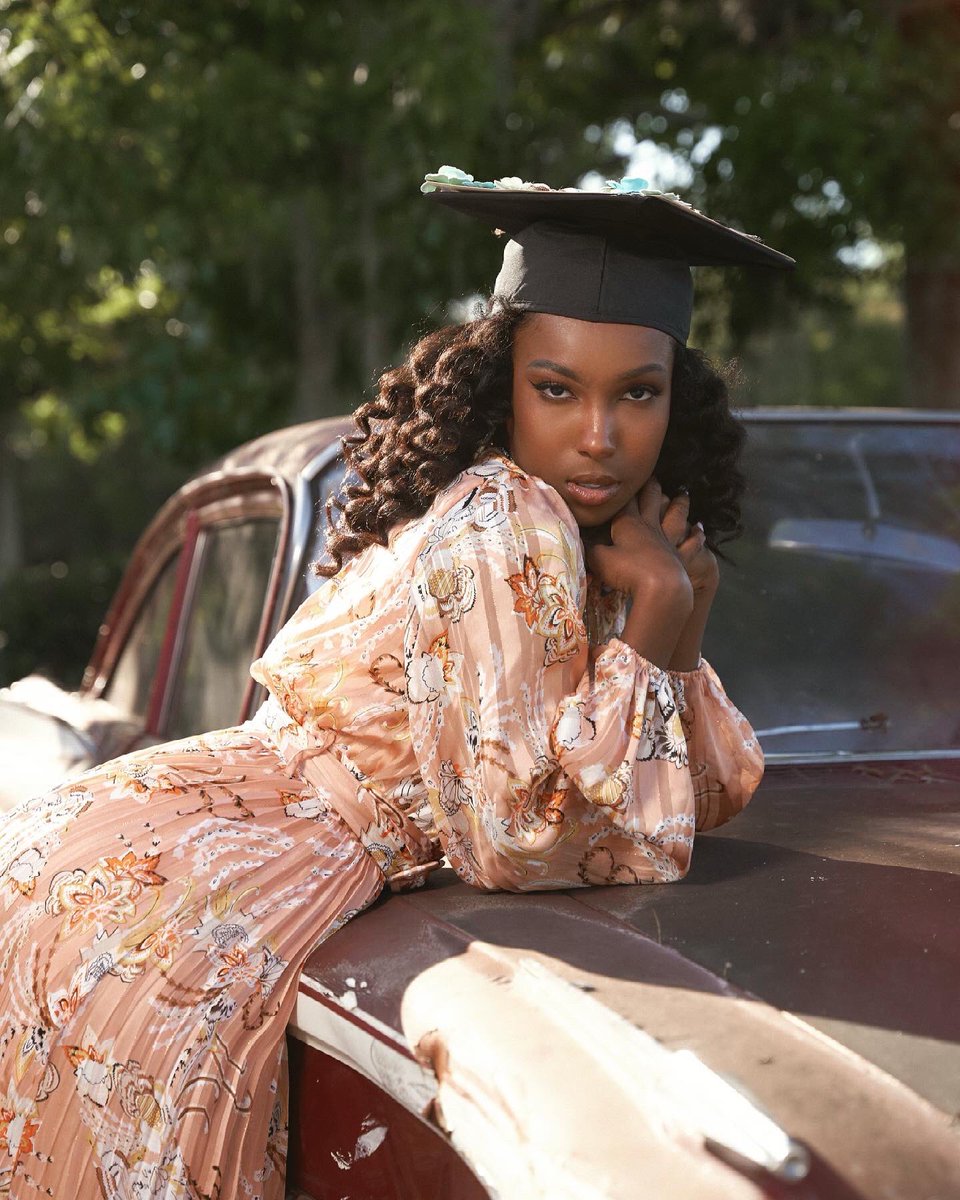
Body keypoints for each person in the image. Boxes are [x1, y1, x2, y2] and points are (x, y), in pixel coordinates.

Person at [0, 168, 792, 1197]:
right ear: (503, 385)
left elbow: (711, 790)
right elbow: (516, 841)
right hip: (201, 881)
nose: (599, 435)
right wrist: (652, 622)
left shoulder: (593, 536)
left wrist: (678, 608)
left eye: (636, 393)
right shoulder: (503, 521)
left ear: (675, 400)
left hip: (238, 861)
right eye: (557, 389)